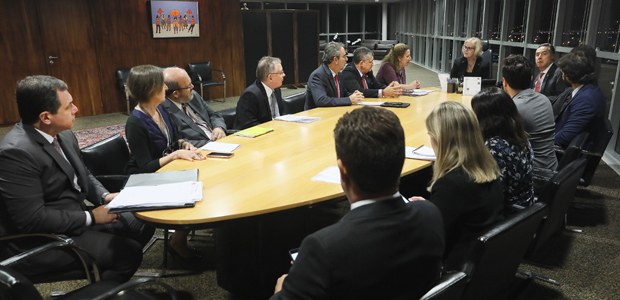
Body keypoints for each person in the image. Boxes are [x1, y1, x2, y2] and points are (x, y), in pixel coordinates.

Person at [271, 107, 445, 299]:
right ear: (401, 160)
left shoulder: (323, 249)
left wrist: (283, 290)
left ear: (342, 170)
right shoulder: (430, 214)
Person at [0, 75, 154, 283]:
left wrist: (105, 195)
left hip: (72, 215)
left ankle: (104, 277)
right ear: (46, 117)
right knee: (128, 253)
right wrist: (91, 217)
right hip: (39, 239)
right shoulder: (16, 153)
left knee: (142, 221)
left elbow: (84, 173)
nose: (76, 110)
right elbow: (31, 219)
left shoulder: (63, 134)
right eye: (69, 106)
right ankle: (103, 291)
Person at [124, 65, 204, 261]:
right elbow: (145, 167)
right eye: (162, 85)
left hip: (167, 169)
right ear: (151, 89)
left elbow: (175, 138)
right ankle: (178, 240)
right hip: (147, 178)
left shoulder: (161, 109)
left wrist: (184, 145)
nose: (166, 89)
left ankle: (183, 235)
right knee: (197, 186)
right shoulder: (135, 122)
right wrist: (174, 155)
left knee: (204, 176)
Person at [412, 101, 503, 271]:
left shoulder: (451, 184)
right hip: (482, 263)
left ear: (440, 140)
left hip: (453, 269)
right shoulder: (487, 168)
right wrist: (429, 207)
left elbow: (428, 241)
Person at [472, 88, 535, 210]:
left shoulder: (494, 147)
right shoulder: (519, 135)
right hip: (526, 209)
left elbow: (490, 196)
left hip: (508, 215)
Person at [502, 54, 558, 176]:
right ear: (531, 78)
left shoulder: (514, 108)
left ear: (504, 82)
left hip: (533, 173)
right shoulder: (544, 99)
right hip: (550, 168)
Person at [162, 67, 227, 147]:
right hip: (202, 149)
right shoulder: (164, 111)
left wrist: (219, 127)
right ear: (176, 94)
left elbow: (214, 115)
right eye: (188, 86)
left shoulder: (193, 96)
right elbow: (176, 142)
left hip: (222, 140)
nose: (193, 87)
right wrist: (212, 144)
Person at [555, 51, 606, 149]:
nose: (561, 76)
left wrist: (541, 144)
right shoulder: (589, 90)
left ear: (569, 76)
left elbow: (564, 138)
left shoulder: (586, 100)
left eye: (563, 73)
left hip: (561, 155)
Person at [305, 42, 364, 109]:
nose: (347, 59)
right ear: (335, 59)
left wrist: (354, 96)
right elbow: (321, 100)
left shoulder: (338, 74)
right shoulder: (318, 75)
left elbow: (342, 94)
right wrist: (349, 100)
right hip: (318, 115)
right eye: (344, 56)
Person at [235, 56, 285, 129]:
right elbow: (249, 124)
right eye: (281, 72)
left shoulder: (276, 89)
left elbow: (280, 114)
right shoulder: (250, 95)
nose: (284, 75)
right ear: (270, 77)